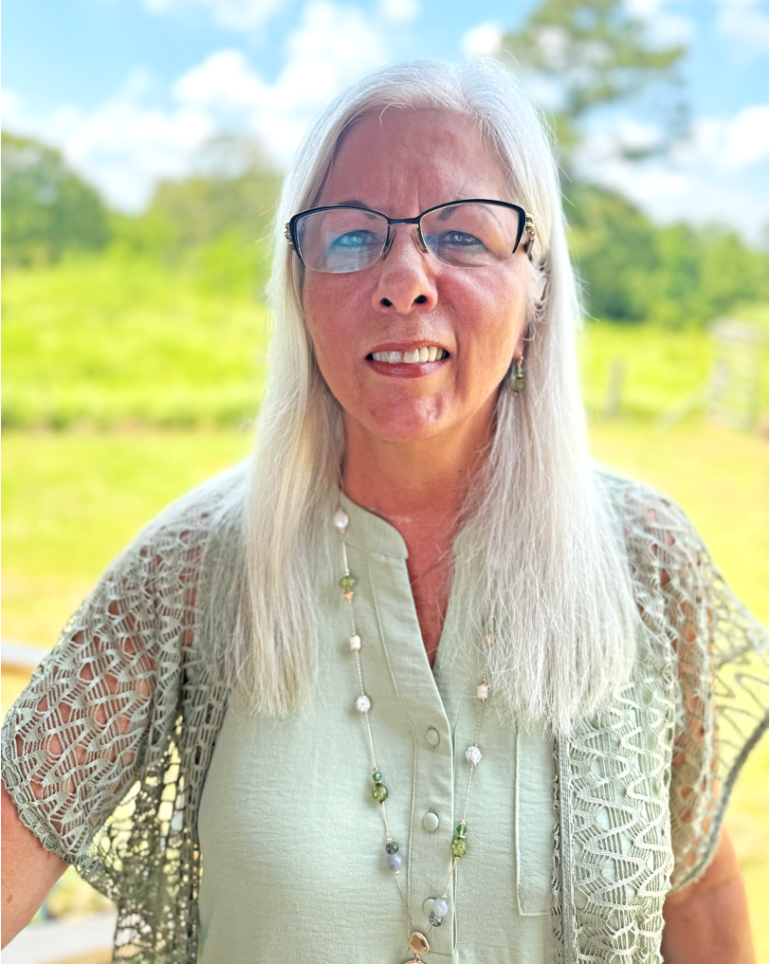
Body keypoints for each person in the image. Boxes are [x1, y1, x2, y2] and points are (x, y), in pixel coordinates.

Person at [1, 59, 767, 964]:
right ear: (299, 290)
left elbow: (696, 881)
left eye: (464, 236)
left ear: (538, 288)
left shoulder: (644, 560)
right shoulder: (191, 568)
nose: (405, 279)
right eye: (353, 238)